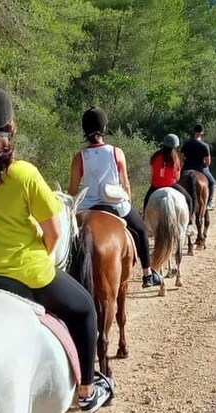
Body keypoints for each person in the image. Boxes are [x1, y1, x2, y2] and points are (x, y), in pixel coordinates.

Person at [0, 84, 114, 413]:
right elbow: (55, 231)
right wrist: (34, 255)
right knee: (85, 309)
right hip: (29, 274)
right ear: (10, 126)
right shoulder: (24, 173)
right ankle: (87, 391)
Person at [67, 107, 164, 289]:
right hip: (114, 204)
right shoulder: (116, 152)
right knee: (141, 230)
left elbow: (72, 190)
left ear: (84, 129)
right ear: (104, 128)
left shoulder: (79, 157)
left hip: (87, 207)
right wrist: (127, 198)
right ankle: (147, 274)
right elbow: (125, 183)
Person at [142, 134, 196, 221]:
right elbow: (177, 177)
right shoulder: (175, 158)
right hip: (171, 185)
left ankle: (144, 220)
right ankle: (189, 223)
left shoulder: (155, 156)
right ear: (175, 146)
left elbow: (152, 174)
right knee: (189, 199)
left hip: (155, 186)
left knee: (146, 201)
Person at [182, 124, 216, 210]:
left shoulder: (186, 144)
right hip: (200, 168)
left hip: (187, 167)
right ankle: (209, 202)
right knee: (212, 182)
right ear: (202, 133)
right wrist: (204, 165)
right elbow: (208, 162)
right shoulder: (204, 146)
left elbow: (181, 158)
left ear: (194, 132)